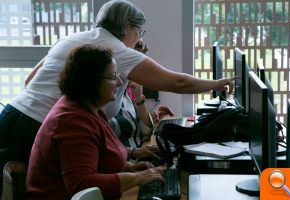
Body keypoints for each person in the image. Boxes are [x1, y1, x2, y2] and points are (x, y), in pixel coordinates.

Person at [0, 0, 236, 164]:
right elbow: (177, 83)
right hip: (36, 128)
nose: (139, 38)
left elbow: (30, 79)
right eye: (139, 31)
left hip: (11, 116)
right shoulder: (116, 51)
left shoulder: (75, 38)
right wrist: (217, 84)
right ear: (128, 28)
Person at [23, 44, 164, 200]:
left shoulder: (88, 109)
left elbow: (98, 157)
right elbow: (82, 185)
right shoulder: (73, 122)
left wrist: (130, 168)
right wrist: (138, 178)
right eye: (112, 77)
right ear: (90, 81)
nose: (118, 81)